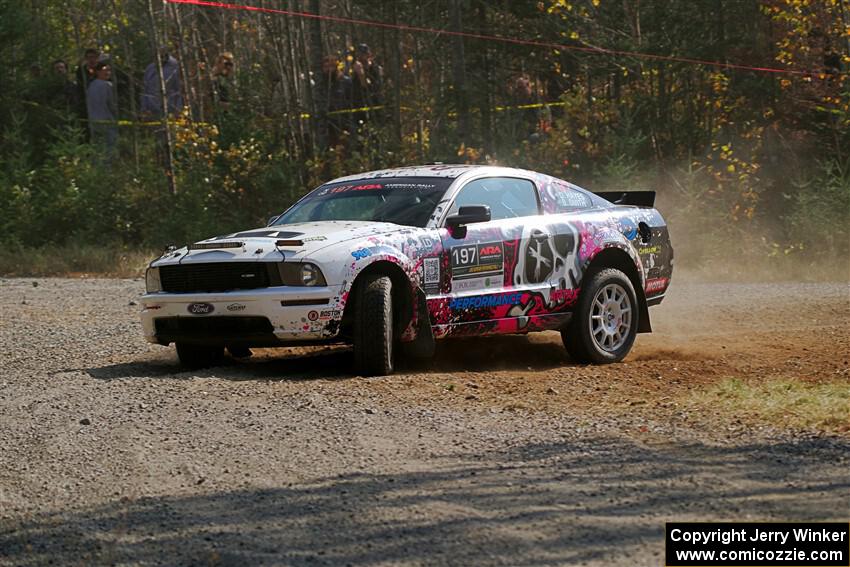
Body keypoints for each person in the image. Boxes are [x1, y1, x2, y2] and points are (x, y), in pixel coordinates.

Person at [86, 61, 118, 162]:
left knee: (97, 146)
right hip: (106, 121)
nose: (108, 73)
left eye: (109, 70)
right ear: (98, 72)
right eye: (105, 70)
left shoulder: (91, 85)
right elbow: (111, 104)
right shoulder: (107, 85)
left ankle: (97, 168)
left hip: (93, 120)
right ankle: (107, 169)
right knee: (109, 146)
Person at [141, 47, 183, 118]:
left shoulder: (175, 68)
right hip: (152, 110)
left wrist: (178, 110)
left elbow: (179, 90)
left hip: (171, 109)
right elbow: (145, 90)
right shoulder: (150, 69)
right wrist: (144, 109)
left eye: (163, 54)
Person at [321, 54, 352, 148]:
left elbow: (352, 100)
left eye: (332, 66)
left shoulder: (346, 82)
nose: (329, 70)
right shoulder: (320, 84)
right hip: (325, 124)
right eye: (326, 67)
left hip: (343, 122)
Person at [350, 43, 383, 124]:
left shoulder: (376, 68)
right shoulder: (354, 68)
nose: (362, 57)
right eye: (360, 54)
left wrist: (362, 75)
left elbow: (376, 86)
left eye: (365, 54)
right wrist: (359, 74)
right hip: (359, 103)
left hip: (375, 102)